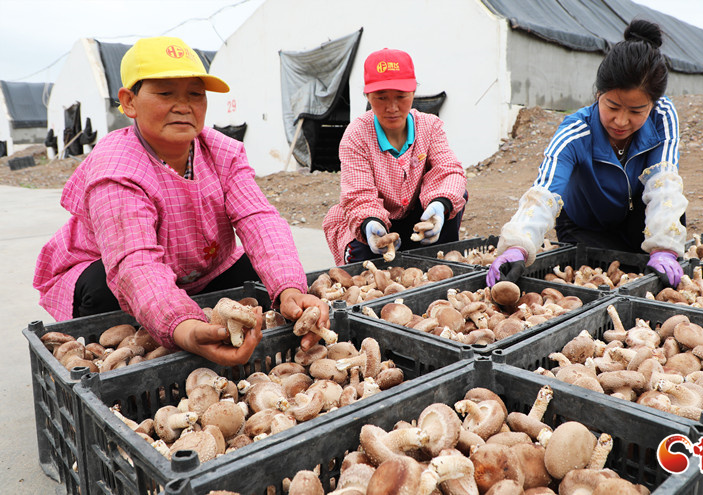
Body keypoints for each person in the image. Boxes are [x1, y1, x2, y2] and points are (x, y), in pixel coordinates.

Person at [33, 36, 329, 366]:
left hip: (196, 268)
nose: (183, 106)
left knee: (261, 277)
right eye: (165, 93)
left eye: (195, 94)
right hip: (110, 269)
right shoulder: (116, 166)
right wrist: (183, 328)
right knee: (105, 292)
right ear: (129, 102)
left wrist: (290, 289)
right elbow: (134, 261)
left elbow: (258, 219)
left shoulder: (222, 152)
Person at [487, 19, 687, 289]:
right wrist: (517, 245)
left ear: (652, 104)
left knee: (664, 236)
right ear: (598, 94)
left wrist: (663, 247)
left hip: (635, 219)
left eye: (636, 111)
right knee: (606, 272)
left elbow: (664, 182)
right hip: (585, 226)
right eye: (612, 106)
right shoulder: (575, 132)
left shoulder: (662, 116)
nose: (621, 121)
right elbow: (545, 191)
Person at [322, 48, 468, 265]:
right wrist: (370, 223)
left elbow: (448, 171)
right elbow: (358, 195)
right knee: (366, 266)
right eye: (381, 98)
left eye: (401, 97)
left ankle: (438, 260)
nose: (392, 108)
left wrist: (439, 205)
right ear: (368, 96)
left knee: (456, 194)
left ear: (413, 93)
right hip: (377, 222)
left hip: (418, 218)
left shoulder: (429, 126)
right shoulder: (356, 135)